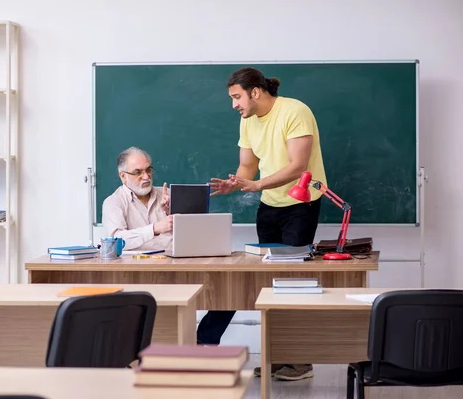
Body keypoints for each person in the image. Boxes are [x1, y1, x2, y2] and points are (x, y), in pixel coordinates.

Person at [202, 67, 327, 381]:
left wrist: (257, 185)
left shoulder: (294, 111)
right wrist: (237, 183)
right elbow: (248, 165)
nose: (234, 105)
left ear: (254, 92)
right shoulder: (247, 121)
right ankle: (278, 357)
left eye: (236, 97)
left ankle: (300, 362)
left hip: (302, 204)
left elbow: (298, 166)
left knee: (293, 284)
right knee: (270, 284)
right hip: (270, 206)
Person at [102, 146, 173, 251]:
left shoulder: (168, 195)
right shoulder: (113, 202)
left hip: (175, 261)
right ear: (123, 176)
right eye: (137, 172)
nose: (146, 177)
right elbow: (116, 241)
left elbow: (192, 231)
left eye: (148, 170)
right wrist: (154, 229)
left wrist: (172, 212)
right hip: (136, 264)